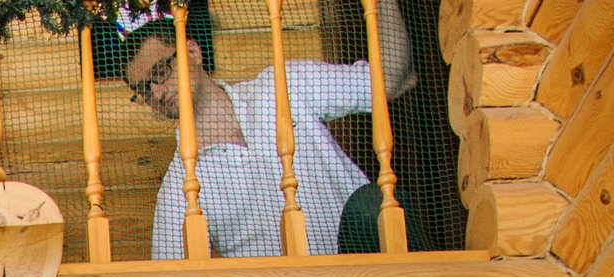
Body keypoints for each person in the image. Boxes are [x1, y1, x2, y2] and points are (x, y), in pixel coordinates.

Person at [120, 0, 415, 259]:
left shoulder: (282, 87)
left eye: (160, 71)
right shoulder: (178, 189)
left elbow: (391, 79)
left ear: (193, 53)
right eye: (144, 88)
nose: (156, 93)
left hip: (369, 268)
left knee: (376, 202)